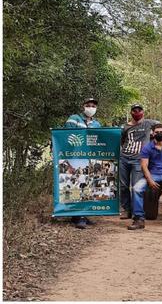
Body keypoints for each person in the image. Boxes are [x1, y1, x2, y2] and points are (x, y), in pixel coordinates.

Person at [64, 97, 101, 229]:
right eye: (88, 105)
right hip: (75, 157)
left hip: (90, 158)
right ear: (83, 106)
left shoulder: (97, 124)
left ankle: (81, 214)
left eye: (93, 106)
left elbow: (99, 140)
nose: (91, 108)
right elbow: (66, 136)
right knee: (76, 184)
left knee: (87, 186)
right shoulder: (74, 118)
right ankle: (79, 216)